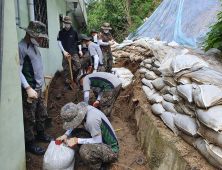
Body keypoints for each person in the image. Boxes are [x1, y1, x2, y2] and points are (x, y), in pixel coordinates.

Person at [19, 21, 53, 155]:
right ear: (30, 34)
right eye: (39, 36)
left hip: (39, 88)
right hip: (30, 90)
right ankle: (29, 143)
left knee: (42, 113)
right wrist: (27, 88)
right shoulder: (21, 47)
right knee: (29, 118)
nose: (41, 39)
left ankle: (40, 134)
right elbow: (18, 70)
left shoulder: (34, 45)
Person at [56, 102, 119, 170]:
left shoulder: (91, 120)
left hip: (111, 149)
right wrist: (65, 135)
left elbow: (98, 140)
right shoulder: (82, 110)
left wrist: (77, 140)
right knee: (76, 131)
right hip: (99, 139)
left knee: (84, 150)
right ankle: (92, 157)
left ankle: (99, 166)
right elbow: (75, 124)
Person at [57, 16, 82, 90]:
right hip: (65, 53)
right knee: (66, 68)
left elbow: (78, 42)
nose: (67, 24)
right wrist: (63, 51)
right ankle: (69, 83)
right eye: (66, 23)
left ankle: (75, 79)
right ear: (64, 23)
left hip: (74, 52)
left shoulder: (74, 32)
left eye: (69, 23)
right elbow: (59, 42)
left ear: (70, 23)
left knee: (78, 66)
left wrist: (80, 50)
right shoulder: (61, 32)